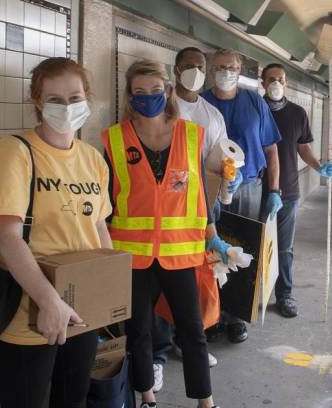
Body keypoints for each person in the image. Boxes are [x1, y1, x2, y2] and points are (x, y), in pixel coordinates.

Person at [0, 57, 113, 408]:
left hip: (81, 309)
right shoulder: (15, 152)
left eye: (74, 97)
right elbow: (5, 235)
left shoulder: (93, 159)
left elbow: (99, 226)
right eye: (54, 99)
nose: (66, 107)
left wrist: (108, 295)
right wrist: (49, 300)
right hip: (27, 311)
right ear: (36, 102)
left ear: (87, 97)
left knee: (72, 400)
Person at [103, 60, 228, 408]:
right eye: (139, 92)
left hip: (179, 252)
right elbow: (106, 200)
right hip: (133, 255)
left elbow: (201, 190)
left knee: (192, 331)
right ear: (130, 96)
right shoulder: (115, 139)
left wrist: (213, 235)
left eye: (155, 91)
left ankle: (205, 401)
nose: (148, 98)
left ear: (168, 91)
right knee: (139, 331)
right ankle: (146, 396)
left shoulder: (190, 135)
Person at [150, 46, 226, 392]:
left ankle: (188, 341)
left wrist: (229, 176)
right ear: (175, 68)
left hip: (202, 208)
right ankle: (158, 356)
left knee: (196, 282)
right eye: (188, 66)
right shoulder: (164, 107)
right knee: (162, 284)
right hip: (164, 211)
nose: (194, 71)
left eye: (200, 66)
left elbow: (220, 156)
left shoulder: (211, 115)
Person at [202, 48, 282, 344]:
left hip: (248, 187)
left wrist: (273, 191)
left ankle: (236, 318)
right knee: (210, 252)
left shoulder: (254, 101)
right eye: (222, 66)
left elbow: (271, 150)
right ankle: (210, 316)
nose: (227, 71)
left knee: (241, 250)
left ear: (240, 70)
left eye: (233, 67)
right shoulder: (202, 103)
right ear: (211, 69)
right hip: (208, 188)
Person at [261, 63, 332, 318]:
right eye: (271, 79)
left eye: (280, 79)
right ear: (262, 82)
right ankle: (250, 298)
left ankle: (284, 295)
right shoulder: (255, 110)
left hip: (288, 192)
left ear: (287, 83)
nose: (276, 83)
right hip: (254, 190)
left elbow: (303, 149)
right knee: (252, 245)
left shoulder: (297, 113)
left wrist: (319, 167)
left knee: (284, 248)